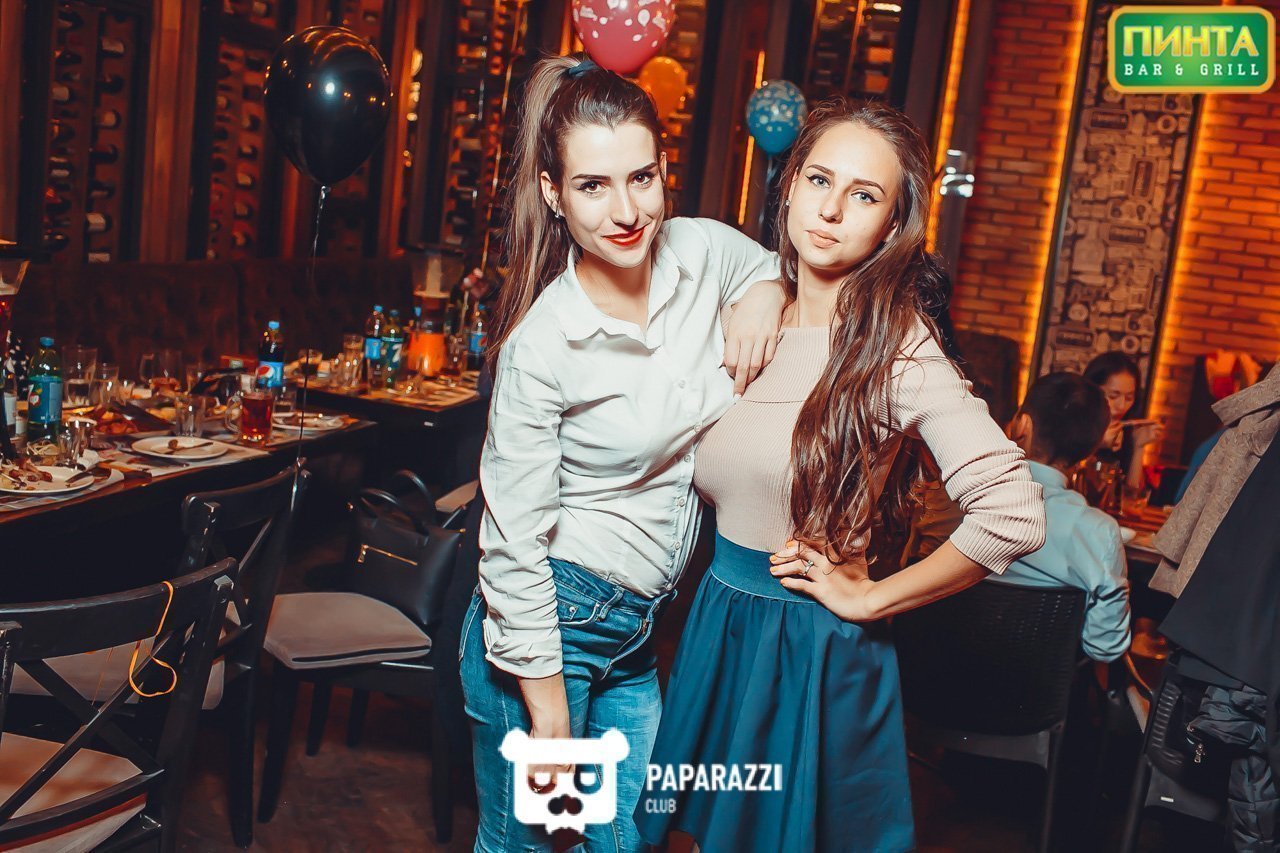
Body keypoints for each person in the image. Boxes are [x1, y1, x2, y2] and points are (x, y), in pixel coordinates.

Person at [637, 99, 1046, 852]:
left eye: (864, 195)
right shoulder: (748, 314)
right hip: (719, 624)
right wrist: (765, 287)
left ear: (891, 226)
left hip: (807, 647)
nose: (830, 210)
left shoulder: (896, 348)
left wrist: (872, 598)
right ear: (789, 185)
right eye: (819, 179)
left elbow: (1013, 512)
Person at [458, 55, 787, 853]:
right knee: (530, 846)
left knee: (629, 839)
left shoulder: (700, 250)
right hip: (549, 633)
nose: (627, 211)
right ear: (553, 193)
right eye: (593, 186)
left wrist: (766, 293)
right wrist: (550, 720)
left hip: (635, 631)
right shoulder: (544, 346)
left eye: (641, 178)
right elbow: (511, 545)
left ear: (663, 168)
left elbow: (771, 266)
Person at [1002, 371, 1131, 661]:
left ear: (1022, 424)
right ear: (1093, 447)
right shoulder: (1097, 531)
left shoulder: (958, 496)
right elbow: (1105, 647)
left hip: (934, 678)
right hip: (1037, 685)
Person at [1083, 351, 1163, 493]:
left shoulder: (1126, 431)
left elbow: (1132, 496)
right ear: (1091, 391)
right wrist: (1096, 443)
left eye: (1129, 398)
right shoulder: (1072, 426)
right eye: (1113, 396)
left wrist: (1138, 447)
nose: (1121, 406)